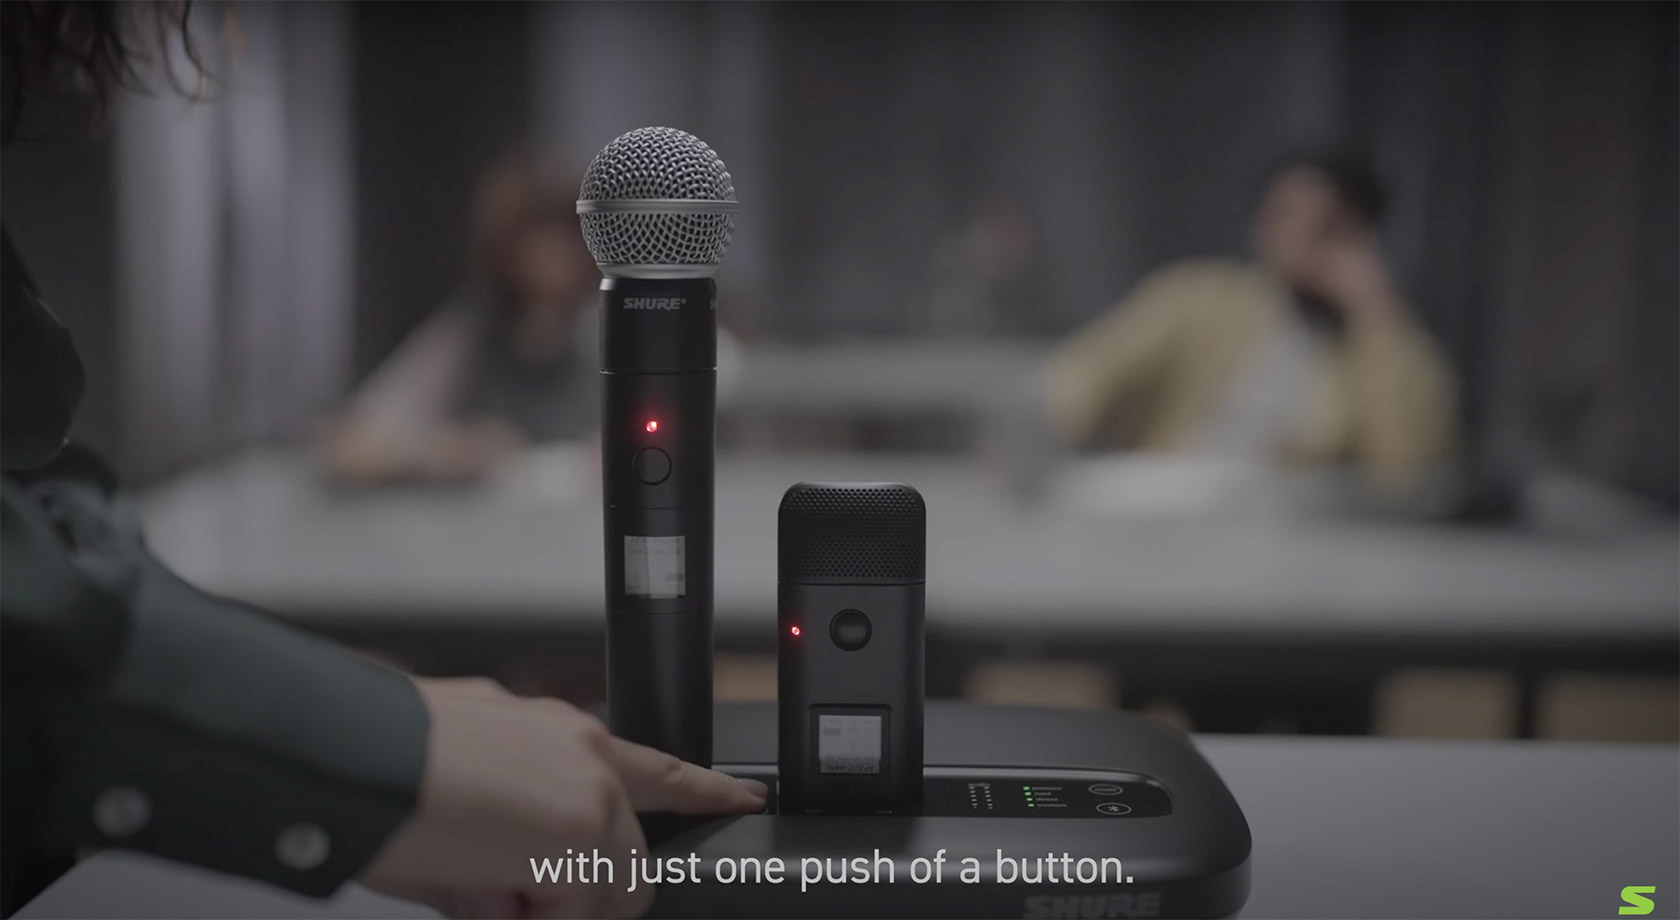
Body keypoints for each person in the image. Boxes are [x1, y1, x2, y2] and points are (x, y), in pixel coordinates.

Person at [0, 4, 764, 919]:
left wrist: (378, 745)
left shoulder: (629, 320)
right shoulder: (476, 330)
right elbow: (357, 434)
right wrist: (380, 747)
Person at [1042, 148, 1458, 490]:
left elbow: (1411, 466)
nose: (1298, 238)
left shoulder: (1375, 341)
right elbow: (1086, 373)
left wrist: (1376, 309)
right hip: (1176, 507)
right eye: (1284, 216)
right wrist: (1043, 431)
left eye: (1325, 226)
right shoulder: (1201, 298)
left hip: (1299, 535)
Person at [321, 147, 602, 484]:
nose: (553, 256)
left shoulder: (609, 334)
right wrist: (445, 449)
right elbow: (351, 444)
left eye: (566, 236)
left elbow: (669, 436)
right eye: (537, 238)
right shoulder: (470, 334)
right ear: (507, 246)